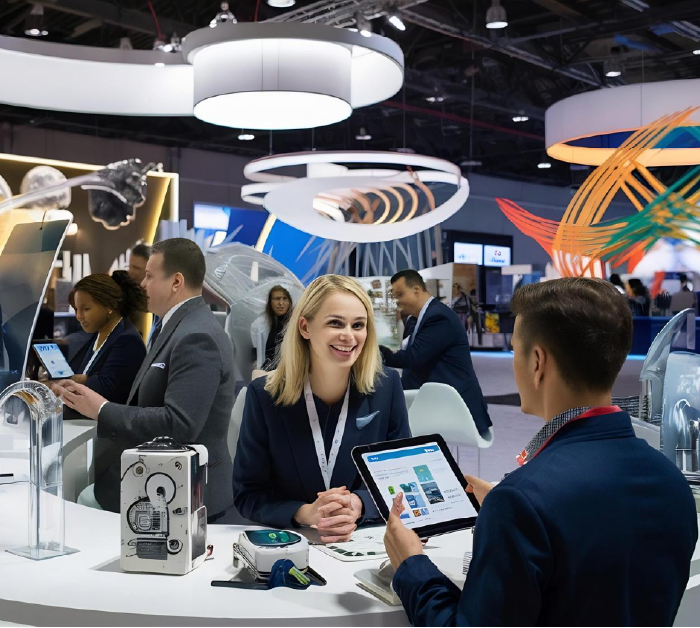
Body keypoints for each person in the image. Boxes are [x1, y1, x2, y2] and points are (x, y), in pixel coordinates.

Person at [383, 277, 698, 626]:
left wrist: (411, 565)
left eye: (515, 351)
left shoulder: (521, 502)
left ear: (537, 362)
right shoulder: (672, 483)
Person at [55, 238, 235, 519]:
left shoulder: (196, 336)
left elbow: (179, 424)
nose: (142, 284)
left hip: (181, 489)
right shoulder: (177, 326)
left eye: (149, 276)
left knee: (83, 502)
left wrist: (101, 409)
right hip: (162, 477)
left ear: (176, 282)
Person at [232, 274, 410, 541]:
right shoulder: (264, 396)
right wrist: (305, 513)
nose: (348, 336)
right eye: (335, 323)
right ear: (305, 327)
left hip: (364, 541)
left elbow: (402, 476)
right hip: (293, 541)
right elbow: (248, 494)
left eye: (358, 325)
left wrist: (359, 505)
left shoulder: (387, 387)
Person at [379, 269, 491, 435]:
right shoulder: (416, 319)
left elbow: (412, 358)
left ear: (416, 290)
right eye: (394, 296)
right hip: (430, 398)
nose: (397, 301)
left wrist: (375, 352)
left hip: (454, 404)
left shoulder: (439, 317)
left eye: (400, 295)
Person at [50, 272, 146, 418]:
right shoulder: (97, 334)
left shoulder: (128, 340)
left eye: (86, 309)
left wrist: (75, 382)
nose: (79, 316)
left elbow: (106, 391)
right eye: (76, 309)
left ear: (109, 306)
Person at [259, 285, 293, 371]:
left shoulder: (293, 324)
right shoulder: (265, 325)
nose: (281, 303)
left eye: (285, 298)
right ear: (270, 302)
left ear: (289, 302)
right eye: (277, 299)